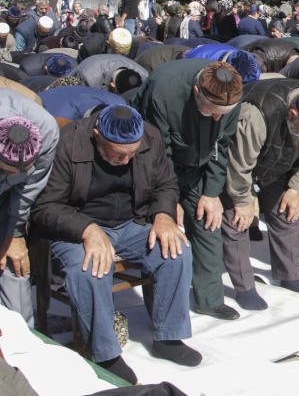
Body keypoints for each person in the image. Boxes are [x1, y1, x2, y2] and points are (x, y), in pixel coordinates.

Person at [30, 105, 200, 383]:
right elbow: (45, 207)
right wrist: (86, 228)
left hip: (132, 221)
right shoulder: (68, 143)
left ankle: (169, 338)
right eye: (118, 154)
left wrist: (163, 215)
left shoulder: (150, 137)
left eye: (132, 154)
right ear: (97, 135)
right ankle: (104, 353)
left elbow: (166, 184)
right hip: (78, 225)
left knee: (176, 251)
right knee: (89, 270)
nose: (125, 161)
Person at [130, 60, 243, 320]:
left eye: (224, 113)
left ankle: (209, 298)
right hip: (154, 167)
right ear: (196, 92)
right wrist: (168, 202)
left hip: (197, 167)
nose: (218, 117)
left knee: (208, 223)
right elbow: (157, 152)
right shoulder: (164, 91)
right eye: (213, 111)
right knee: (163, 233)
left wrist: (212, 193)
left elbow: (222, 144)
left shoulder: (233, 91)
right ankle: (163, 308)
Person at [221, 83, 299, 309]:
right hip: (238, 164)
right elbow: (239, 165)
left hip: (277, 163)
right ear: (293, 114)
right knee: (237, 220)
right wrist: (243, 201)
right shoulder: (255, 116)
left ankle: (290, 274)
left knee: (287, 211)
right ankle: (244, 286)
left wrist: (295, 188)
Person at [0, 90, 59, 325]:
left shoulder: (46, 129)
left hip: (10, 203)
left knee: (14, 263)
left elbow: (27, 191)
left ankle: (23, 338)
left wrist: (13, 234)